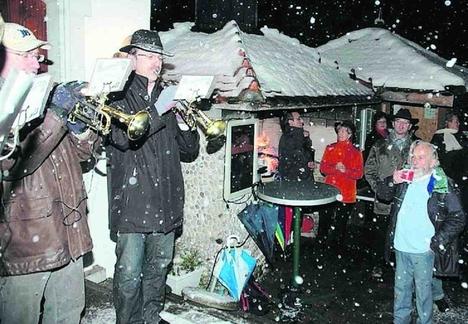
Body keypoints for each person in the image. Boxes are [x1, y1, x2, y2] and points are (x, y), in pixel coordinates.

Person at [0, 22, 98, 323]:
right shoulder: (4, 105)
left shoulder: (41, 92)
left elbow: (81, 156)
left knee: (69, 313)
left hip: (68, 232)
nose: (36, 62)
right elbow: (15, 165)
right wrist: (57, 116)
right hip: (28, 240)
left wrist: (83, 128)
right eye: (25, 55)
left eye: (37, 55)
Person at [106, 29, 200, 324]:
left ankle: (151, 318)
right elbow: (123, 139)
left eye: (158, 56)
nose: (155, 62)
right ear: (131, 58)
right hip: (133, 203)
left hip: (167, 200)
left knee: (159, 269)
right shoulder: (117, 94)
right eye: (147, 56)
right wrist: (159, 111)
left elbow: (190, 150)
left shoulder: (168, 94)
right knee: (130, 276)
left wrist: (186, 122)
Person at [378, 140, 465, 324]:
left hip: (424, 250)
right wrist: (392, 180)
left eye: (421, 157)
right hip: (401, 245)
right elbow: (383, 195)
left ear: (433, 161)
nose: (415, 161)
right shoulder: (406, 177)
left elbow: (458, 217)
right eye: (413, 157)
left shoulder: (439, 182)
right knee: (401, 290)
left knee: (423, 293)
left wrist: (436, 241)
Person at [364, 108, 418, 277]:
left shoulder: (416, 147)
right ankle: (378, 264)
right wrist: (379, 188)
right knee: (380, 234)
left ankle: (400, 267)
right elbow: (369, 170)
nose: (401, 125)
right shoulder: (379, 145)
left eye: (405, 123)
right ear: (393, 124)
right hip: (383, 201)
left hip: (407, 201)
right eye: (398, 122)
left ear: (409, 126)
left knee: (403, 235)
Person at [318, 120, 363, 249]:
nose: (341, 133)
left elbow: (359, 174)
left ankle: (336, 250)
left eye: (344, 131)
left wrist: (346, 170)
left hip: (346, 194)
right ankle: (321, 247)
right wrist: (335, 168)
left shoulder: (355, 152)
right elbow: (323, 168)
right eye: (340, 131)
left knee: (340, 224)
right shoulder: (330, 148)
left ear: (350, 134)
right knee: (324, 221)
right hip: (329, 192)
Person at [430, 112, 468, 208]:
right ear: (448, 123)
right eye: (456, 122)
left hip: (460, 179)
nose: (458, 124)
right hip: (445, 177)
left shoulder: (461, 137)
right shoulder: (439, 137)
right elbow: (435, 157)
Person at [278, 111, 315, 181]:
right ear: (290, 122)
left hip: (302, 176)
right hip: (295, 179)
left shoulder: (300, 134)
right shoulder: (290, 137)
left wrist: (310, 161)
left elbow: (308, 151)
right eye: (298, 119)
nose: (302, 121)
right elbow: (297, 157)